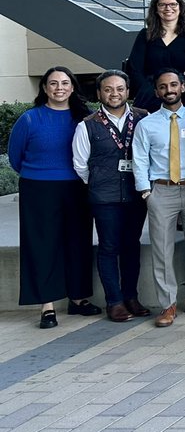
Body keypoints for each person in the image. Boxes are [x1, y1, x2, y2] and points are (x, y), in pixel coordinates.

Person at [10, 67, 100, 328]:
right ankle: (47, 305)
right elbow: (16, 157)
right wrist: (40, 174)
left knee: (78, 241)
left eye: (64, 83)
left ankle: (79, 299)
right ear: (45, 88)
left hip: (76, 187)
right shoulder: (30, 119)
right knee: (42, 245)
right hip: (38, 188)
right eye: (53, 83)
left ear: (72, 87)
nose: (59, 87)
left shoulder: (84, 119)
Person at [132, 68, 185, 327]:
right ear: (157, 91)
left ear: (183, 87)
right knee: (162, 250)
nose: (169, 90)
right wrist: (147, 193)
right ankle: (167, 304)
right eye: (163, 86)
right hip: (160, 190)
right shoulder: (146, 124)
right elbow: (140, 159)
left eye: (174, 84)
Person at [71, 70, 150, 322]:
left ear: (128, 91)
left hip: (136, 194)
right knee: (108, 247)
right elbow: (80, 165)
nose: (114, 94)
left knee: (131, 246)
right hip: (104, 198)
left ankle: (131, 297)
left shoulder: (143, 118)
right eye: (108, 89)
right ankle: (114, 301)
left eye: (119, 89)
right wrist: (99, 183)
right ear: (99, 93)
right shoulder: (87, 125)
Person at [126, 0, 185, 110]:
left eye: (173, 4)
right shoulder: (145, 35)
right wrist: (152, 91)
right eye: (162, 5)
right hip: (150, 97)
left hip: (184, 99)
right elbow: (135, 69)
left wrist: (182, 92)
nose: (168, 8)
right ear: (156, 9)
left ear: (180, 7)